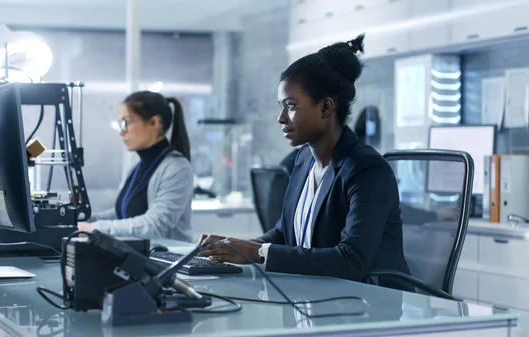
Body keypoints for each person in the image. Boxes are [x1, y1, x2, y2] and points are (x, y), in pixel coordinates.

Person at [198, 34, 411, 286]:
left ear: (325, 108)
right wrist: (235, 248)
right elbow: (284, 232)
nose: (281, 117)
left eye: (290, 105)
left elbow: (351, 261)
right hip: (323, 298)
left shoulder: (366, 168)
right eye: (281, 105)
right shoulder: (303, 160)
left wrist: (256, 253)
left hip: (372, 305)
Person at [77, 91, 193, 242]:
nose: (121, 132)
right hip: (139, 257)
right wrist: (84, 219)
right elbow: (123, 213)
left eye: (126, 123)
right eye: (120, 125)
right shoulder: (139, 167)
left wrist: (94, 228)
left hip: (167, 259)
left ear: (154, 123)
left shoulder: (177, 168)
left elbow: (155, 225)